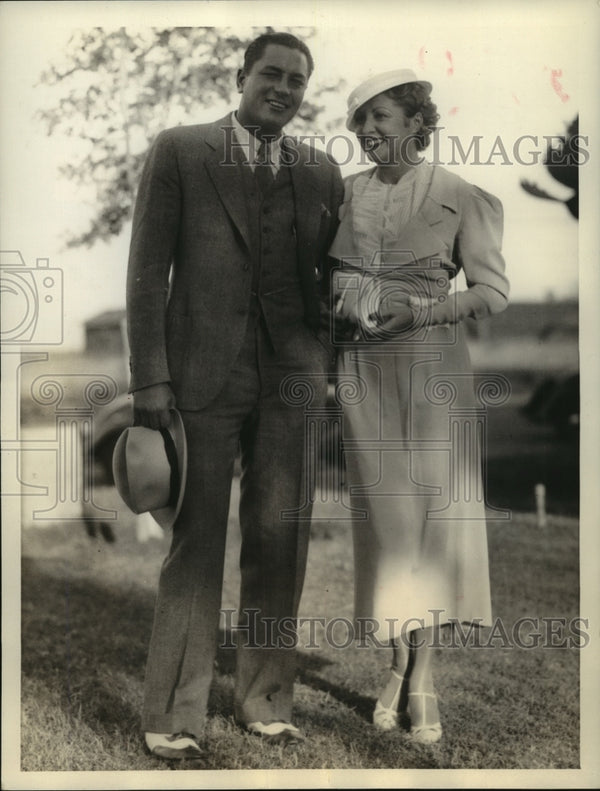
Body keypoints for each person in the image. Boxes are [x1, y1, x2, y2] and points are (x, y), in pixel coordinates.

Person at [126, 32, 343, 758]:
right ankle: (173, 714)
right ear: (241, 76)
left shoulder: (320, 171)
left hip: (293, 380)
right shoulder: (181, 149)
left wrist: (329, 368)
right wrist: (150, 378)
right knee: (195, 544)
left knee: (280, 540)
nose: (283, 88)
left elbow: (334, 282)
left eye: (297, 80)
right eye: (271, 75)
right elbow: (146, 273)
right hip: (199, 379)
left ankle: (267, 699)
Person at [329, 70, 509, 744]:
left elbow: (492, 291)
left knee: (433, 526)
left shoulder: (460, 195)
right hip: (363, 369)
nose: (367, 131)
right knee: (388, 526)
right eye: (358, 123)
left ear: (414, 120)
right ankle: (396, 662)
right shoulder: (343, 196)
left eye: (378, 117)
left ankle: (424, 674)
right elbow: (323, 282)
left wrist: (423, 309)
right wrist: (345, 300)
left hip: (433, 365)